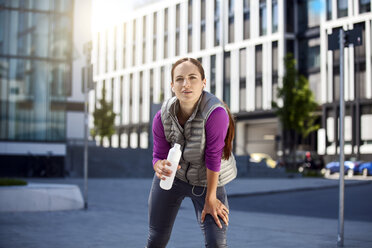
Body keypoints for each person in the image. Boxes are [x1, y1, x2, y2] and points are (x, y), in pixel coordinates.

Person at [146, 57, 237, 248]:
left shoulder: (215, 113)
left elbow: (213, 157)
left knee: (216, 243)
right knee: (156, 239)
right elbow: (158, 153)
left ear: (203, 82)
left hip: (208, 180)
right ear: (172, 85)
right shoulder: (161, 116)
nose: (185, 84)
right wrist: (159, 165)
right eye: (179, 79)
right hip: (174, 178)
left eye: (192, 77)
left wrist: (211, 198)